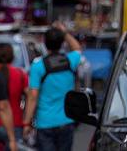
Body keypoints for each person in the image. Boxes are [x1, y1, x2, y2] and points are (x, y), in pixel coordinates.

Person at [23, 21, 82, 151]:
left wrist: (26, 123)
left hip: (45, 123)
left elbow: (33, 97)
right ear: (62, 43)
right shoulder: (70, 60)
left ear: (44, 42)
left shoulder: (38, 66)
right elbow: (77, 48)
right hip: (66, 120)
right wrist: (64, 32)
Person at [0, 45, 28, 143]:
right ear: (12, 57)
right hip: (15, 122)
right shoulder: (20, 74)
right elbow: (30, 96)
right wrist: (27, 121)